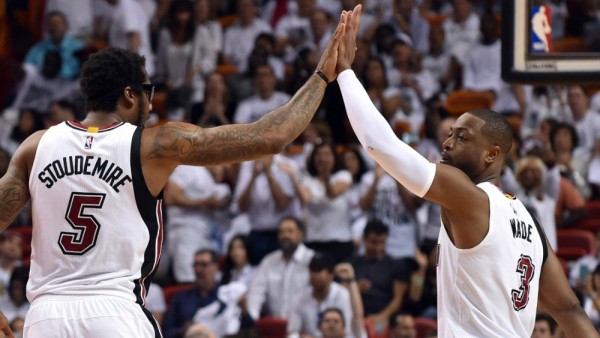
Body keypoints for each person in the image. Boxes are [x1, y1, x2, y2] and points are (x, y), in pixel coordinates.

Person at [0, 7, 361, 337]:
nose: (152, 100)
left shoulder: (36, 146)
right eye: (148, 90)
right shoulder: (153, 145)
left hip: (45, 317)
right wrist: (321, 76)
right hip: (114, 313)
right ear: (129, 95)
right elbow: (272, 136)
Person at [335, 7, 597, 336]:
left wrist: (344, 72)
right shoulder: (530, 224)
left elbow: (382, 146)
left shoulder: (468, 196)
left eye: (462, 137)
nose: (447, 143)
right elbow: (569, 309)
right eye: (449, 134)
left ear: (492, 154)